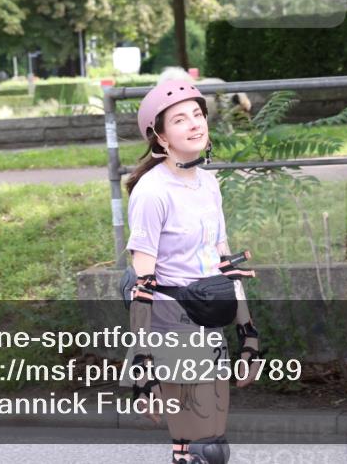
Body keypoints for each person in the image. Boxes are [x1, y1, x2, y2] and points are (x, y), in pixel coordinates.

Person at [122, 79, 262, 464]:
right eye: (180, 119)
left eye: (198, 115)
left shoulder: (208, 183)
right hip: (171, 322)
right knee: (202, 448)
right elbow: (142, 284)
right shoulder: (152, 192)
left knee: (207, 444)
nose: (195, 124)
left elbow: (225, 262)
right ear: (160, 138)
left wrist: (248, 334)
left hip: (208, 315)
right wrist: (143, 367)